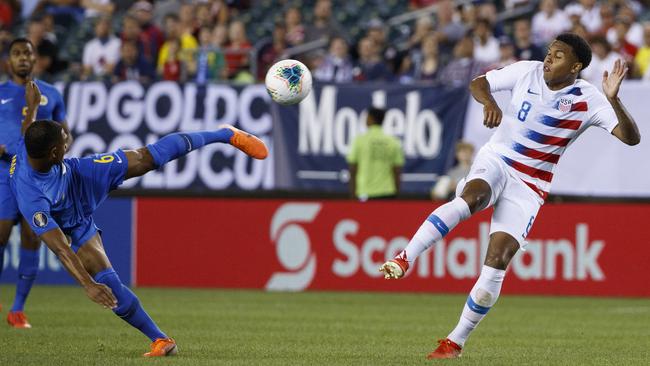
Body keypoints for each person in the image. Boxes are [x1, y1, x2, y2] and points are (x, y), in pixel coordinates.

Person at [379, 33, 640, 359]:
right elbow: (478, 82)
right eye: (549, 52)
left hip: (530, 185)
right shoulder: (526, 71)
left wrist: (614, 99)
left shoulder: (589, 99)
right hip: (497, 161)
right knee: (472, 199)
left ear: (575, 66)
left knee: (497, 262)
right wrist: (490, 102)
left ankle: (454, 342)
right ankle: (405, 257)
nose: (548, 58)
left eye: (558, 56)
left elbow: (631, 138)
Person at [10, 82, 268, 356]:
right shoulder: (31, 197)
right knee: (107, 283)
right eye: (64, 143)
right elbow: (60, 247)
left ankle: (224, 134)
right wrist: (87, 284)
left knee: (146, 158)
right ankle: (161, 340)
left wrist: (34, 106)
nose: (68, 143)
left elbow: (28, 130)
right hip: (72, 221)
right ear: (53, 153)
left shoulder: (32, 145)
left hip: (77, 177)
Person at [0, 38, 71, 328]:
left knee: (32, 236)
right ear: (8, 61)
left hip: (35, 177)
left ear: (36, 59)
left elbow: (65, 132)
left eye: (28, 53)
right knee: (1, 236)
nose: (23, 59)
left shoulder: (51, 94)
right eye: (17, 54)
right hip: (4, 173)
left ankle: (17, 309)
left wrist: (63, 146)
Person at [347, 107, 404, 200]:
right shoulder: (393, 141)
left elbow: (353, 169)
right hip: (388, 192)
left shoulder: (360, 140)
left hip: (364, 192)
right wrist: (396, 195)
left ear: (370, 118)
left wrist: (352, 196)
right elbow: (397, 171)